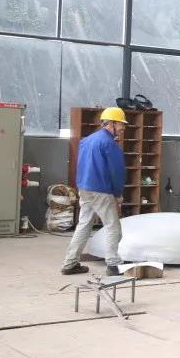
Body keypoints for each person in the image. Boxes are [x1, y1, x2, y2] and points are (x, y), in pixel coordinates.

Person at [62, 107, 127, 276]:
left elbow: (81, 165)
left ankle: (70, 263)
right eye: (121, 124)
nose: (123, 128)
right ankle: (113, 264)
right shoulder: (110, 144)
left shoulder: (87, 140)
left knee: (84, 225)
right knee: (113, 227)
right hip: (101, 190)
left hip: (85, 188)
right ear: (112, 123)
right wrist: (118, 194)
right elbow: (116, 172)